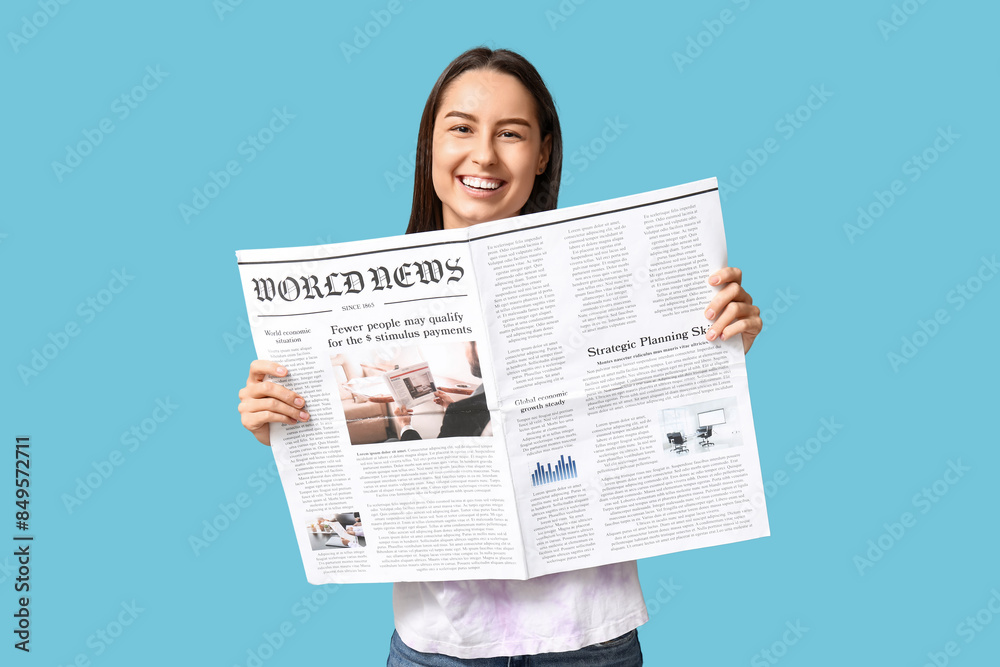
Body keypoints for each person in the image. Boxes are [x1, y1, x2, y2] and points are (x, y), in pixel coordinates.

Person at [237, 47, 762, 666]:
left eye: (510, 134)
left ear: (541, 153)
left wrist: (716, 348)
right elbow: (351, 495)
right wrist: (287, 426)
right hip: (439, 645)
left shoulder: (608, 274)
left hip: (590, 640)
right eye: (460, 128)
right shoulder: (363, 302)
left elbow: (666, 429)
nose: (483, 155)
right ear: (429, 144)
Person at [395, 342, 490, 440]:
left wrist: (405, 425)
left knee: (391, 440)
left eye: (467, 345)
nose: (466, 353)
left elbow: (437, 454)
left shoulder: (460, 413)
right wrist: (453, 408)